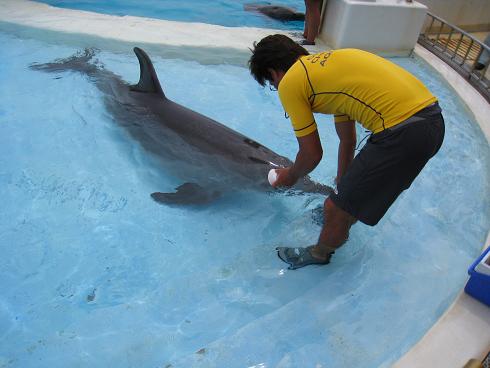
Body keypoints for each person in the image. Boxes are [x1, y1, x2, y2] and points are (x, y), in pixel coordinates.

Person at [248, 34, 445, 270]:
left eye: (272, 84)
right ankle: (340, 221)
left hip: (402, 133)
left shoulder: (291, 81)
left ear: (274, 72)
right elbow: (347, 140)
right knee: (343, 201)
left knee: (334, 208)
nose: (277, 88)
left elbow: (312, 154)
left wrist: (287, 177)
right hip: (432, 124)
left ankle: (319, 254)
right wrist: (343, 181)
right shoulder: (332, 70)